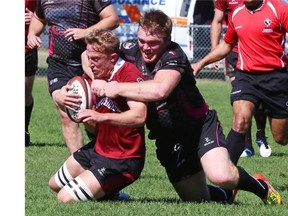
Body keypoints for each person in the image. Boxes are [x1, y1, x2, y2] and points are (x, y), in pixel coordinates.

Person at [88, 9, 282, 204]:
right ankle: (226, 196)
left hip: (198, 128)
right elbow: (89, 55)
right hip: (168, 137)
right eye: (142, 41)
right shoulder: (128, 50)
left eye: (153, 43)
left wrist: (115, 87)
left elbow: (160, 90)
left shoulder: (174, 55)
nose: (146, 48)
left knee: (222, 176)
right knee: (198, 199)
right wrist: (95, 79)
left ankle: (262, 188)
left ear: (167, 39)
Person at [48, 29, 147, 202]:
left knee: (64, 198)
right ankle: (107, 190)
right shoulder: (96, 74)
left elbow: (140, 116)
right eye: (89, 57)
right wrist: (62, 96)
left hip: (123, 158)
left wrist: (101, 117)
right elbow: (75, 96)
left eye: (95, 59)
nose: (90, 63)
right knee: (54, 184)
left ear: (113, 58)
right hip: (99, 148)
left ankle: (109, 189)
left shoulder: (129, 75)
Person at [192, 0, 288, 164]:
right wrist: (201, 63)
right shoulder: (236, 13)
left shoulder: (279, 9)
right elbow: (227, 45)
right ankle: (225, 175)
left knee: (281, 138)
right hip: (246, 77)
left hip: (276, 78)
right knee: (240, 120)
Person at [26, 0, 119, 153]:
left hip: (89, 62)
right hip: (59, 64)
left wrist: (86, 32)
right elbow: (38, 18)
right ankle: (79, 164)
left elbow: (112, 19)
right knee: (66, 112)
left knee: (90, 115)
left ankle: (100, 146)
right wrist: (31, 34)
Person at [210, 0, 272, 158]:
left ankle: (260, 135)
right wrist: (215, 51)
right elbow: (217, 21)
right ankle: (247, 145)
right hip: (234, 53)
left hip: (257, 52)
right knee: (242, 99)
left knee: (259, 102)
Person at [25, 0, 38, 147]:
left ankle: (23, 129)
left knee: (24, 91)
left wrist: (34, 16)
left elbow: (45, 15)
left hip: (27, 47)